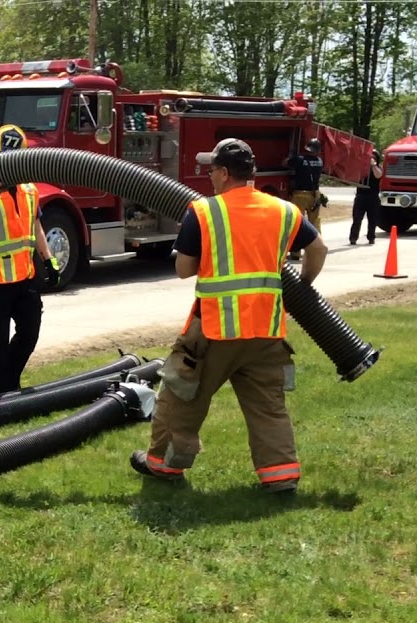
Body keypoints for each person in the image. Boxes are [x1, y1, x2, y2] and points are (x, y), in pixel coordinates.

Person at [128, 138, 328, 494]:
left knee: (180, 398)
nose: (209, 176)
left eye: (211, 170)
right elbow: (318, 247)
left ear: (223, 173)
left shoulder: (205, 212)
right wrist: (305, 285)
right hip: (266, 333)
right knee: (267, 407)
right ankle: (280, 475)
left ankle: (164, 465)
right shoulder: (283, 210)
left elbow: (184, 269)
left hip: (214, 332)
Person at [0, 124, 60, 394]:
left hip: (25, 276)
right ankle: (0, 394)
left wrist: (48, 259)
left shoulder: (30, 189)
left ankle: (10, 383)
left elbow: (36, 226)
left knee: (29, 334)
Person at [286, 137, 324, 261]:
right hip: (315, 195)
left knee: (297, 223)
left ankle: (296, 253)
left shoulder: (299, 159)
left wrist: (291, 156)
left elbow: (284, 163)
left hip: (300, 195)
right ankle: (317, 249)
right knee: (314, 223)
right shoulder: (319, 161)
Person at [349, 148, 384, 245]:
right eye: (370, 157)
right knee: (357, 219)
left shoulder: (378, 168)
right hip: (361, 196)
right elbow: (353, 175)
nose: (371, 158)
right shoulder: (361, 168)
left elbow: (378, 175)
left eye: (374, 157)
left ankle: (371, 237)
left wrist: (373, 165)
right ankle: (353, 238)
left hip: (373, 197)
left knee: (372, 220)